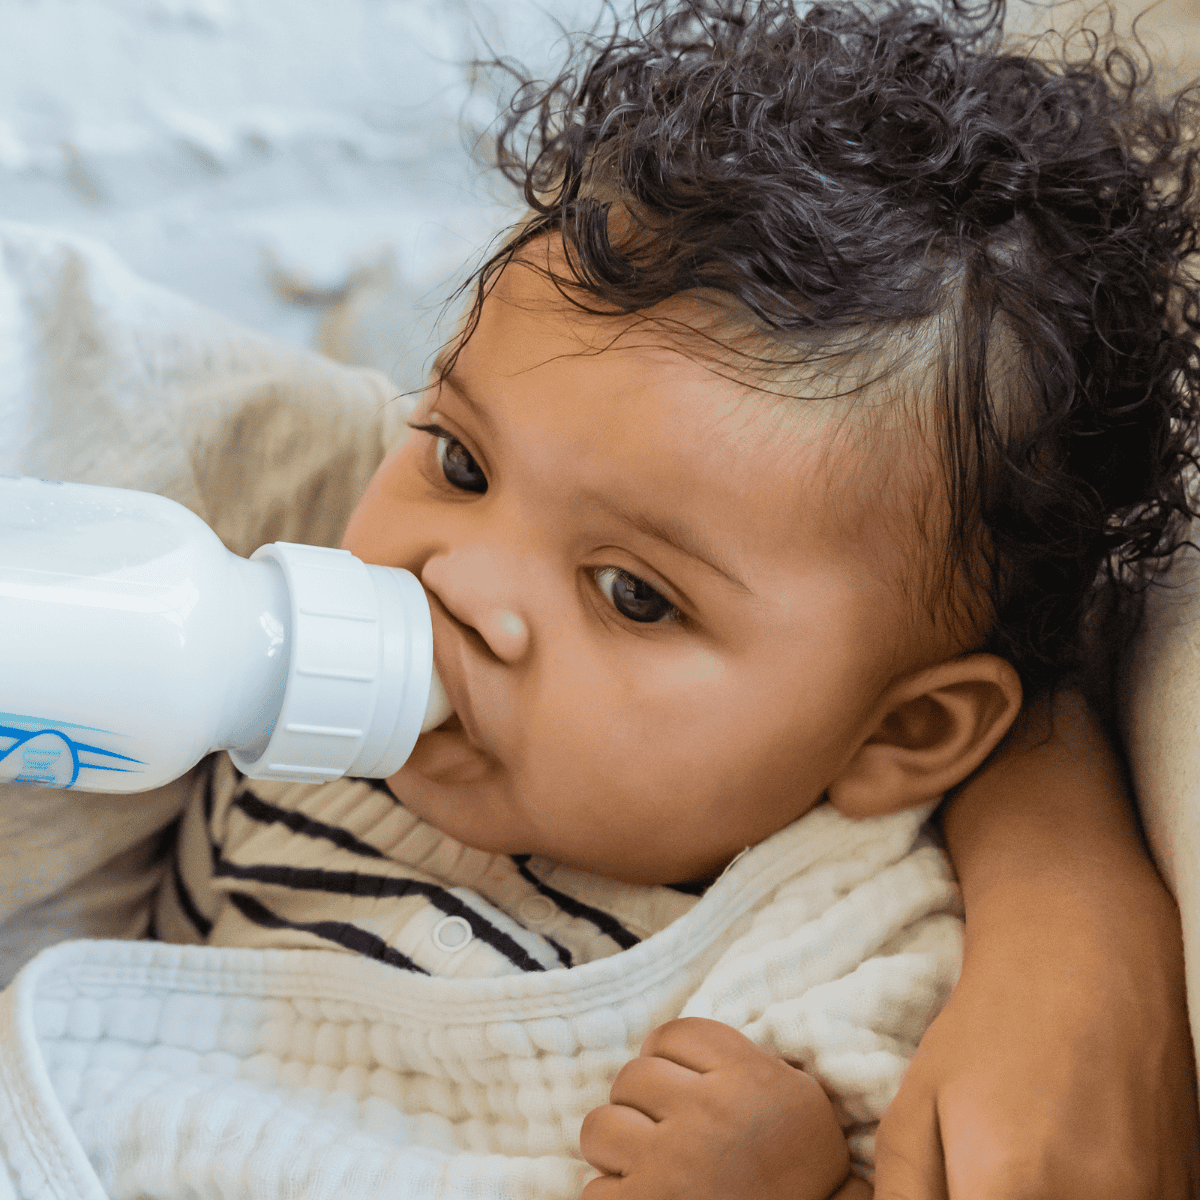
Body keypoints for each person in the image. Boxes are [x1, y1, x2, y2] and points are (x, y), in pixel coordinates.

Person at [129, 0, 1200, 1195]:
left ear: (902, 731)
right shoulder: (277, 683)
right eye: (461, 462)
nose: (458, 580)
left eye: (634, 594)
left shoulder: (857, 960)